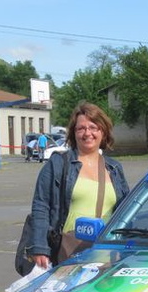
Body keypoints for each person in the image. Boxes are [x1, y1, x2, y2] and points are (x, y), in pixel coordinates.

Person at [28, 102, 129, 269]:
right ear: (73, 134)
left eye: (93, 127)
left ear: (102, 132)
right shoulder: (58, 164)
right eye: (81, 128)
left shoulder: (114, 168)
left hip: (106, 253)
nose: (87, 133)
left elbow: (126, 211)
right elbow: (41, 206)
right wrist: (39, 248)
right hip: (69, 251)